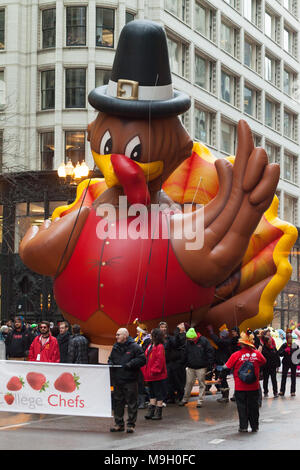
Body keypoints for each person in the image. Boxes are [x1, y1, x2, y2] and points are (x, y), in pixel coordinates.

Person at [221, 329, 266, 433]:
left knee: (242, 407)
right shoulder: (257, 354)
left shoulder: (236, 355)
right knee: (253, 407)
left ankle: (243, 426)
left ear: (242, 344)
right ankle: (255, 426)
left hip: (240, 386)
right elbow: (264, 361)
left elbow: (226, 367)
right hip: (253, 386)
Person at [108, 328, 146, 434]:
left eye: (118, 335)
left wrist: (131, 364)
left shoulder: (134, 347)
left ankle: (131, 425)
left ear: (125, 336)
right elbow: (110, 358)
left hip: (130, 379)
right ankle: (118, 424)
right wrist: (110, 362)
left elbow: (142, 359)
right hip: (118, 379)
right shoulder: (115, 347)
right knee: (118, 402)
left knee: (131, 403)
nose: (116, 337)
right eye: (116, 335)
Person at [179, 328, 215, 408]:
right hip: (191, 366)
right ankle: (185, 400)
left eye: (189, 338)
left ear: (194, 337)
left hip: (201, 367)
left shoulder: (204, 340)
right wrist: (183, 363)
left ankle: (200, 401)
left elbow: (210, 352)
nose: (188, 339)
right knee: (188, 383)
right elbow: (185, 353)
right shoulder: (188, 342)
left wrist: (209, 364)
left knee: (201, 384)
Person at [143, 328, 168, 420]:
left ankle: (158, 411)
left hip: (156, 374)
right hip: (150, 373)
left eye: (151, 334)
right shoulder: (150, 345)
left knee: (158, 392)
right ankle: (151, 410)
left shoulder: (159, 346)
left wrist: (154, 370)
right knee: (152, 392)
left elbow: (159, 360)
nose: (150, 335)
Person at [159, 321, 187, 404]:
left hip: (172, 362)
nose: (163, 329)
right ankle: (170, 397)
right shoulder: (157, 339)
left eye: (165, 327)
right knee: (167, 382)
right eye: (162, 327)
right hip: (163, 363)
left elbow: (176, 343)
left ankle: (179, 396)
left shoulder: (170, 338)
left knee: (176, 380)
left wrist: (177, 332)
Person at [207, 325, 232, 403]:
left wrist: (211, 332)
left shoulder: (224, 342)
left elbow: (217, 340)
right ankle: (224, 395)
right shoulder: (226, 342)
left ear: (222, 336)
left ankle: (225, 397)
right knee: (221, 380)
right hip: (221, 364)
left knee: (222, 380)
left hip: (223, 365)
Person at [134, 321, 151, 409]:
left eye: (138, 331)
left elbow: (144, 352)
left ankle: (142, 401)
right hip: (136, 364)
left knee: (141, 383)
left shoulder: (147, 341)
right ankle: (137, 401)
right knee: (137, 383)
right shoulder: (136, 340)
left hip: (143, 364)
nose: (136, 333)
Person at [278, 333, 299, 397]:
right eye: (289, 338)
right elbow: (279, 353)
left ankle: (293, 391)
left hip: (293, 363)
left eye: (291, 338)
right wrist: (285, 351)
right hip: (286, 363)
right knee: (284, 377)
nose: (290, 339)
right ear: (287, 339)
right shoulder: (284, 345)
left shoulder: (295, 345)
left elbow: (298, 354)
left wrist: (298, 363)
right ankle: (282, 391)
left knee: (293, 377)